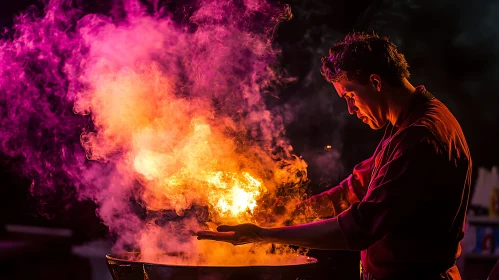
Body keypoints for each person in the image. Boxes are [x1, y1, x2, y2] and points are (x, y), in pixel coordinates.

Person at [197, 32, 472, 280]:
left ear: (375, 81)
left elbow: (360, 227)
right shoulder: (406, 124)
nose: (350, 109)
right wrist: (284, 214)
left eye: (350, 96)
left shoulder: (420, 136)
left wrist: (262, 234)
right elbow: (353, 189)